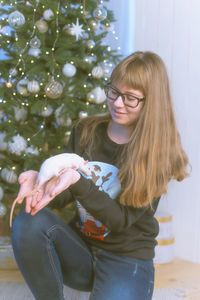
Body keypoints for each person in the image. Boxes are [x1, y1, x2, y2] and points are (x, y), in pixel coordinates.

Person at [11, 51, 189, 300]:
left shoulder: (160, 153)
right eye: (114, 92)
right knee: (27, 222)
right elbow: (64, 195)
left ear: (151, 103)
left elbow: (120, 220)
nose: (117, 103)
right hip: (80, 249)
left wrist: (78, 181)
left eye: (130, 99)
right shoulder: (86, 131)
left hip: (127, 259)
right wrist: (41, 184)